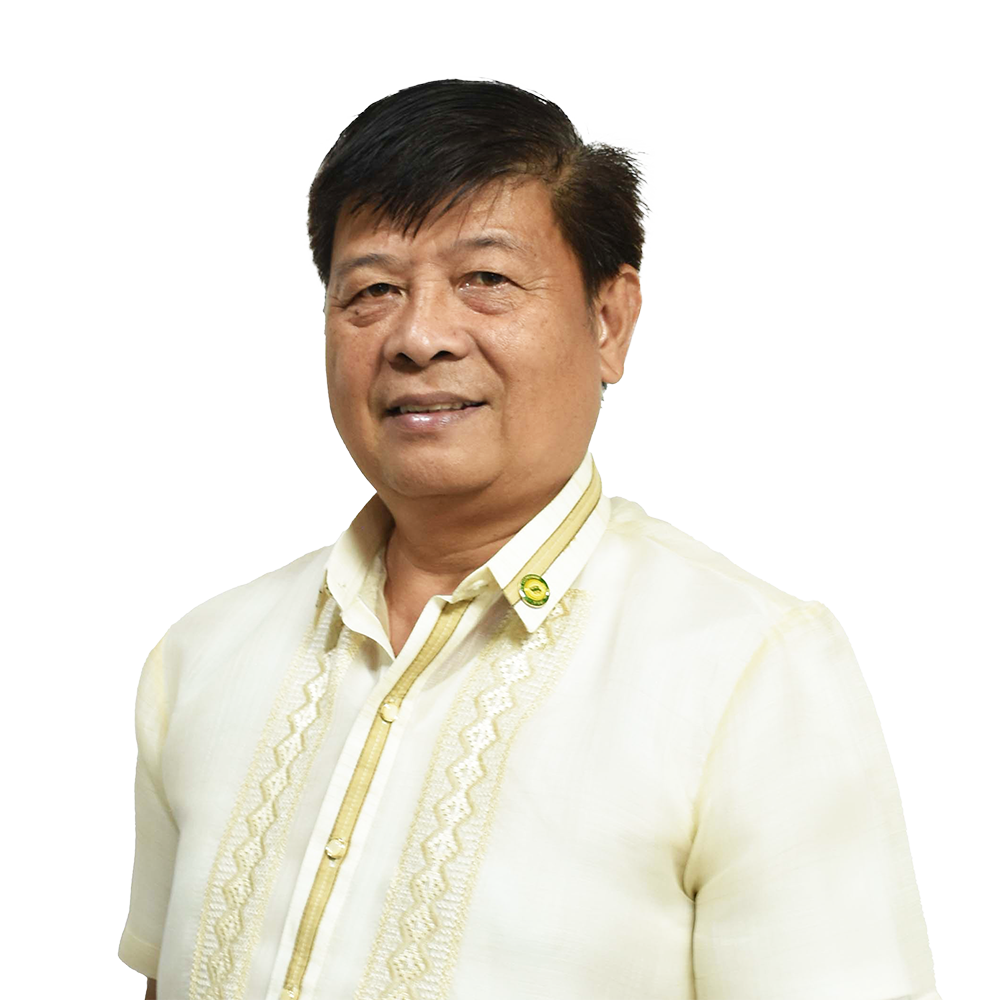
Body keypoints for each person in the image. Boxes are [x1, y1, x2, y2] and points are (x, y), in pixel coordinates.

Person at [120, 78, 940, 1000]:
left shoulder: (752, 671)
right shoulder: (202, 658)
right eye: (373, 290)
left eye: (487, 281)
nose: (419, 336)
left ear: (609, 320)